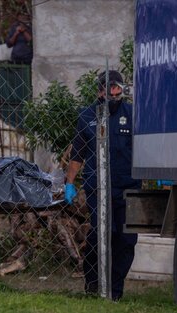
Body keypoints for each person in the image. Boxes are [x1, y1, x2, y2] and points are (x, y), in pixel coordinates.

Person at [64, 70, 141, 301]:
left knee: (126, 241)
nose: (114, 93)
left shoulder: (133, 114)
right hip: (98, 189)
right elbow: (77, 153)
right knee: (100, 236)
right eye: (109, 89)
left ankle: (115, 291)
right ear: (100, 91)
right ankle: (93, 284)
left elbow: (146, 149)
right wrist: (69, 183)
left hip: (128, 188)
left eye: (117, 89)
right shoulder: (87, 115)